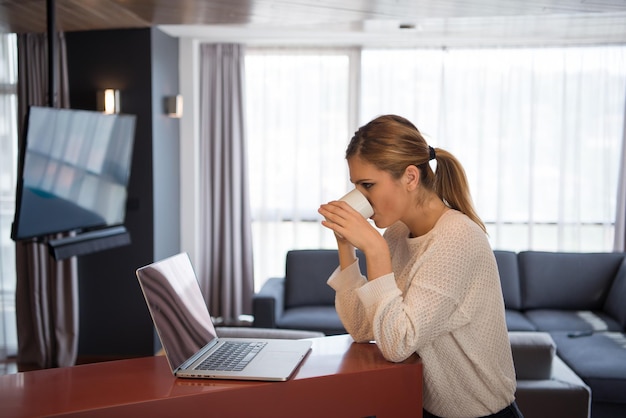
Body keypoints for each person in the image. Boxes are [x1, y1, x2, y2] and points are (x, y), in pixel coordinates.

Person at [318, 115, 522, 418]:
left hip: (481, 414)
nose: (360, 198)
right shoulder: (399, 233)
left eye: (368, 185)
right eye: (356, 187)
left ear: (411, 178)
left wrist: (375, 250)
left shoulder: (457, 238)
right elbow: (362, 327)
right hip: (427, 408)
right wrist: (345, 245)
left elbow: (398, 343)